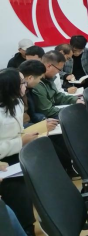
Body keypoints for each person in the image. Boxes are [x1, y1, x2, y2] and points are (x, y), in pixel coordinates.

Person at [0, 68, 43, 235]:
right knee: (18, 192)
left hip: (18, 154)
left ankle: (29, 224)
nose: (25, 85)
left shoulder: (17, 102)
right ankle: (26, 228)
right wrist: (20, 142)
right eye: (22, 83)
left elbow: (18, 131)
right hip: (4, 161)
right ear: (10, 86)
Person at [32, 51, 85, 119]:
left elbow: (57, 96)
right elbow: (47, 111)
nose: (58, 72)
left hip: (53, 111)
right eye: (59, 69)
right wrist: (71, 110)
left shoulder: (48, 78)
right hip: (47, 117)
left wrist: (75, 100)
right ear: (49, 66)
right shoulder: (37, 84)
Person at [18, 60, 47, 125]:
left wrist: (43, 120)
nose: (40, 81)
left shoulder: (28, 89)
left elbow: (32, 115)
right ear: (30, 78)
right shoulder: (13, 94)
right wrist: (41, 126)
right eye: (40, 78)